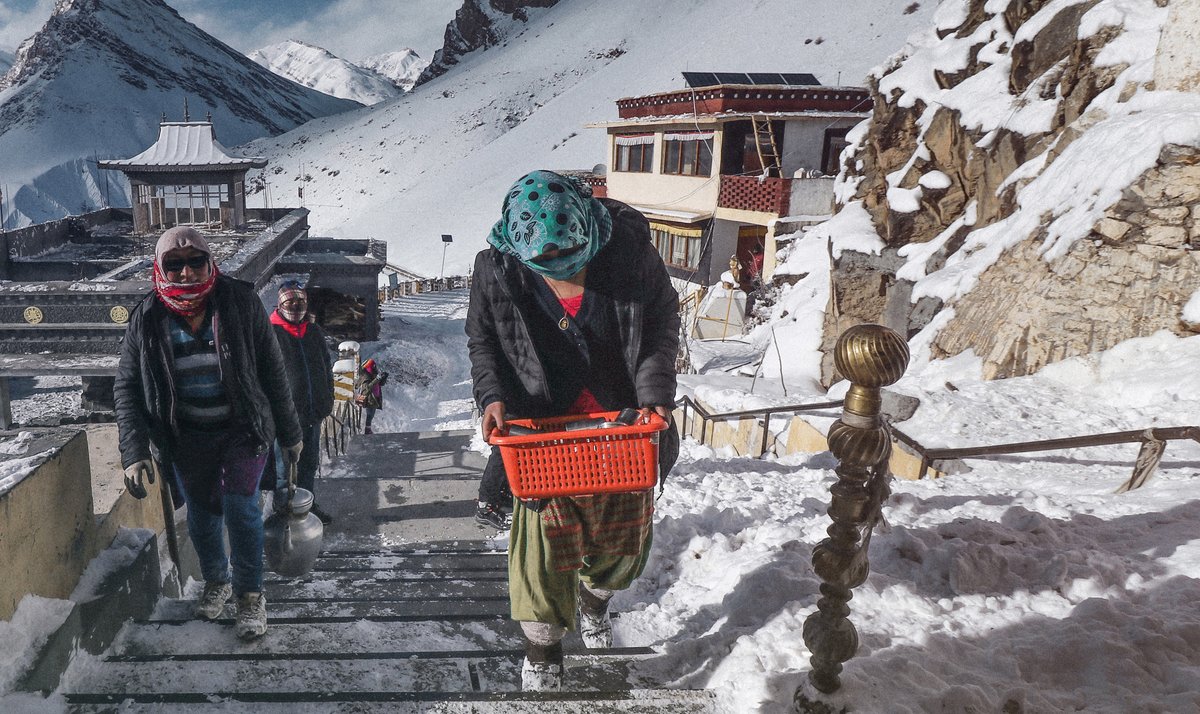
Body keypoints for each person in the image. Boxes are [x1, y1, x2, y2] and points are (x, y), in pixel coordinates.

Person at [465, 170, 680, 690]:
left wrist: (654, 394)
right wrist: (492, 397)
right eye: (546, 265)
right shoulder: (496, 267)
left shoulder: (630, 254)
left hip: (621, 426)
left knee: (620, 541)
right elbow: (483, 340)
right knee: (540, 543)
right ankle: (543, 647)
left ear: (589, 227)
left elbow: (659, 322)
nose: (562, 271)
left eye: (572, 258)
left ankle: (595, 599)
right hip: (541, 429)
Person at [114, 226, 303, 641]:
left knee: (241, 508)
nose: (186, 273)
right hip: (187, 435)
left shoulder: (239, 301)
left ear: (210, 261)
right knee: (201, 517)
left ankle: (250, 596)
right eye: (174, 264)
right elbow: (127, 385)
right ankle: (217, 580)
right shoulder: (146, 317)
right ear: (159, 268)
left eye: (195, 261)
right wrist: (133, 450)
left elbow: (272, 370)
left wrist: (290, 433)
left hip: (242, 427)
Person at [269, 280, 334, 524]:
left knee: (308, 464)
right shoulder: (271, 333)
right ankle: (284, 512)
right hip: (285, 416)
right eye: (290, 301)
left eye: (300, 301)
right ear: (280, 303)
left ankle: (307, 506)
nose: (295, 306)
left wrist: (328, 396)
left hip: (313, 411)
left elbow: (326, 366)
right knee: (284, 469)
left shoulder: (313, 331)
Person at [355, 357, 388, 434]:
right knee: (370, 415)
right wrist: (377, 379)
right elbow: (366, 388)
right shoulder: (365, 376)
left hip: (375, 397)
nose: (375, 368)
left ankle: (368, 429)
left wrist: (384, 378)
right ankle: (367, 430)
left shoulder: (372, 374)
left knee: (371, 414)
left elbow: (380, 384)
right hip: (370, 398)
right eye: (373, 366)